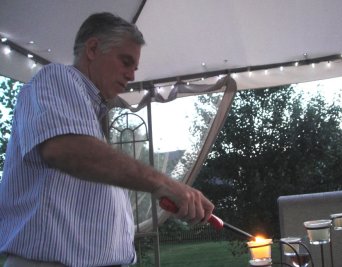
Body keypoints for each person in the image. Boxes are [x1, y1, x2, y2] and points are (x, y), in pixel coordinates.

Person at [0, 12, 214, 267]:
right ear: (92, 48)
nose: (131, 76)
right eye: (125, 62)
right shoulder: (56, 77)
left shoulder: (88, 114)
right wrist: (163, 184)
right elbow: (66, 150)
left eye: (134, 68)